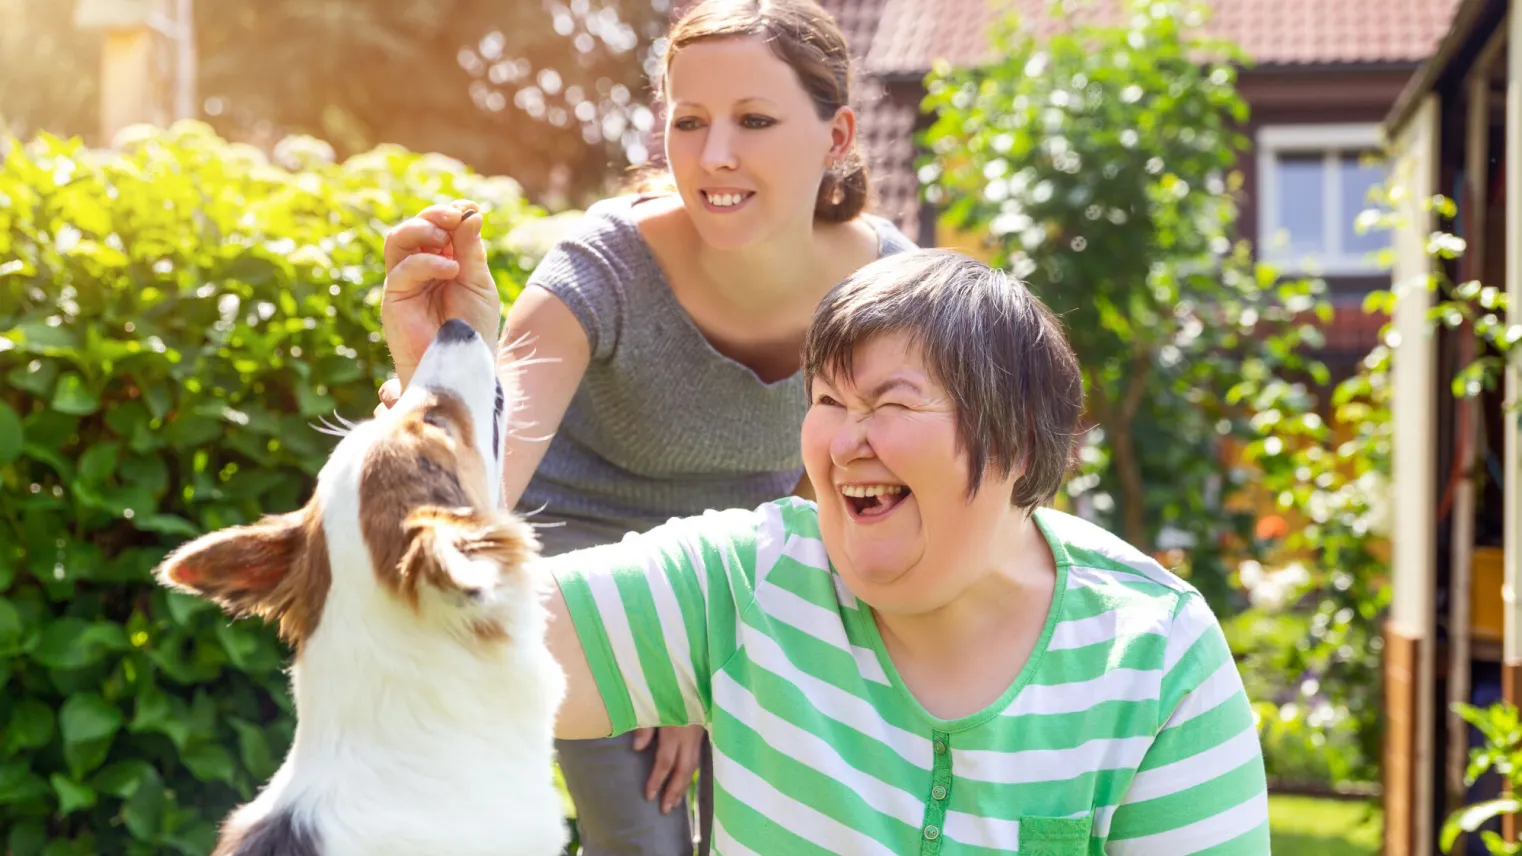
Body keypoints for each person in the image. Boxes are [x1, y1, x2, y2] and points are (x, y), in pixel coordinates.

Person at [375, 0, 916, 851]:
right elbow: (488, 474)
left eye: (756, 120)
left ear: (840, 135)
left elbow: (845, 490)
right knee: (647, 839)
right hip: (580, 562)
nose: (715, 155)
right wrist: (437, 371)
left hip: (752, 567)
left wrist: (719, 651)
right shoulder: (602, 266)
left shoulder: (886, 289)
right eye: (689, 121)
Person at [540, 249, 1272, 855]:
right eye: (828, 403)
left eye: (890, 405)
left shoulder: (1155, 655)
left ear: (1015, 438)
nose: (846, 442)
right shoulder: (748, 582)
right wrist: (442, 388)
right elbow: (466, 634)